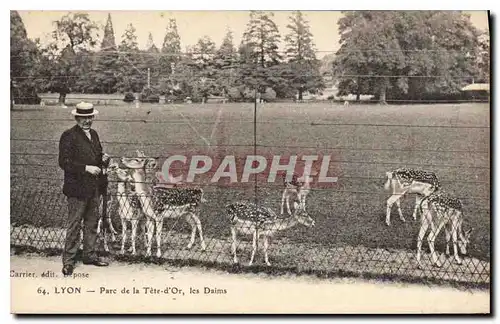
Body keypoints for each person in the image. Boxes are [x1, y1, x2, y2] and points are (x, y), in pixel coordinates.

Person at [58, 102, 110, 276]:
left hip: (93, 187)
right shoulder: (69, 136)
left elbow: (97, 155)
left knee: (91, 223)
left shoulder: (94, 134)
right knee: (74, 224)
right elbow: (64, 162)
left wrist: (103, 159)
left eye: (90, 117)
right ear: (77, 118)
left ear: (93, 117)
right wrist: (86, 168)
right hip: (76, 189)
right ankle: (69, 261)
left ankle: (89, 255)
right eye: (83, 118)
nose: (87, 121)